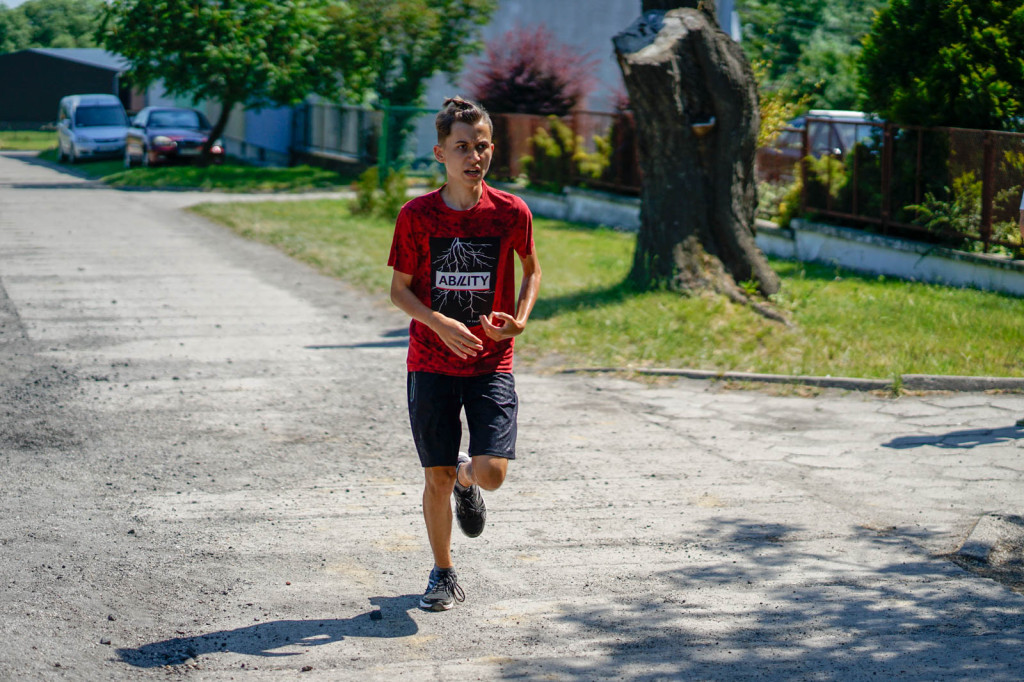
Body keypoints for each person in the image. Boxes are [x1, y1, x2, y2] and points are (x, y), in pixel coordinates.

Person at [387, 96, 542, 611]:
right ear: (440, 153)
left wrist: (519, 319)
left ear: (491, 149)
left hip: (489, 362)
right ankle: (442, 572)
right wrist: (436, 320)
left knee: (493, 472)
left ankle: (468, 478)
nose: (473, 157)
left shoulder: (510, 211)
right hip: (430, 360)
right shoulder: (417, 216)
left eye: (481, 147)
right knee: (435, 475)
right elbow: (400, 291)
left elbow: (532, 269)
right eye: (461, 147)